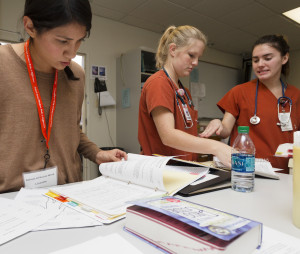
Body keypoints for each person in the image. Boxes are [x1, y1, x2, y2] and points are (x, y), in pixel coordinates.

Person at [0, 0, 127, 193]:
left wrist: (98, 153)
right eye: (63, 41)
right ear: (30, 26)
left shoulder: (75, 74)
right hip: (12, 201)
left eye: (79, 41)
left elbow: (70, 130)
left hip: (69, 195)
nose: (72, 52)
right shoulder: (3, 65)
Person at [200, 35, 300, 173]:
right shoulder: (239, 92)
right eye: (255, 60)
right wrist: (218, 123)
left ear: (284, 58)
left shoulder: (296, 95)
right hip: (247, 171)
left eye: (267, 58)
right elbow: (225, 131)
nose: (260, 64)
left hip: (287, 172)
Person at [138, 25, 232, 167]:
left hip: (184, 168)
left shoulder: (184, 92)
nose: (195, 63)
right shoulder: (159, 83)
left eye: (198, 57)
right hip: (163, 170)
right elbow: (168, 136)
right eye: (191, 55)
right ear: (173, 50)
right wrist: (216, 147)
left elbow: (186, 130)